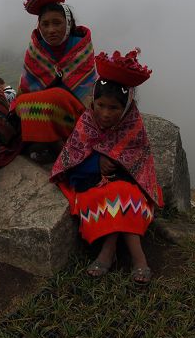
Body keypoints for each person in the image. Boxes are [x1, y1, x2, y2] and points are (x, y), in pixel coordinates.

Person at [51, 49, 162, 285]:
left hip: (130, 187)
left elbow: (140, 165)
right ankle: (137, 259)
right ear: (93, 101)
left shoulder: (133, 125)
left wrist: (118, 169)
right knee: (115, 196)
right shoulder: (86, 122)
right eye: (100, 105)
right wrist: (96, 162)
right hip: (91, 185)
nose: (105, 113)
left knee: (124, 194)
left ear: (127, 106)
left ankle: (111, 252)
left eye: (114, 108)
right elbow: (71, 160)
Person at [12, 0, 97, 162]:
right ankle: (45, 142)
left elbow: (86, 91)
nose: (51, 30)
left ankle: (60, 144)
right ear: (40, 26)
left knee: (56, 97)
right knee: (22, 103)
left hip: (73, 112)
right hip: (41, 111)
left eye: (57, 23)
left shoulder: (81, 47)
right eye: (45, 24)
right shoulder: (35, 50)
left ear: (68, 24)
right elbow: (26, 89)